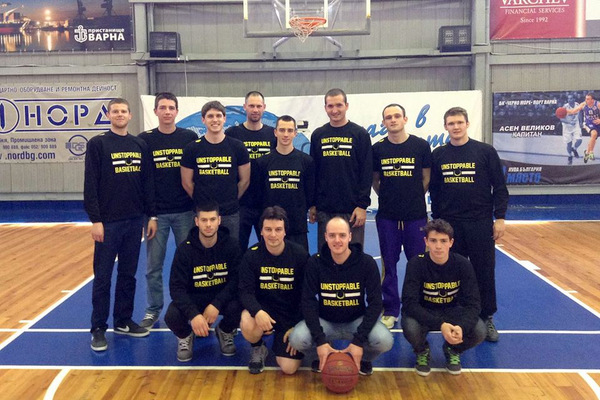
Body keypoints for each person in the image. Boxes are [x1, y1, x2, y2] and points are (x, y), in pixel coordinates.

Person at [429, 107, 509, 342]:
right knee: (454, 271)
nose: (456, 127)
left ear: (467, 124)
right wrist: (438, 223)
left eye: (459, 122)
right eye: (451, 123)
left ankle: (487, 316)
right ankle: (457, 316)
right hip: (450, 225)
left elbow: (500, 187)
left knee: (484, 271)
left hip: (480, 223)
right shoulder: (438, 155)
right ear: (445, 127)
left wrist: (500, 217)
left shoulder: (485, 151)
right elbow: (435, 190)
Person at [84, 98, 157, 352]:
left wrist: (152, 216)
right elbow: (90, 184)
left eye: (123, 111)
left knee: (128, 275)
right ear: (108, 115)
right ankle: (98, 328)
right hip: (108, 223)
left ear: (130, 115)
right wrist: (96, 220)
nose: (119, 115)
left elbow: (147, 182)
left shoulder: (139, 144)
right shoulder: (98, 144)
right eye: (115, 111)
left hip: (134, 220)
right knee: (103, 277)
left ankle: (123, 320)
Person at [289, 217, 394, 376]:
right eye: (332, 235)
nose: (337, 240)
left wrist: (359, 340)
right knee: (297, 338)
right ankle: (321, 356)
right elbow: (308, 301)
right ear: (325, 237)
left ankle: (363, 358)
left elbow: (375, 303)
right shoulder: (315, 263)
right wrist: (320, 340)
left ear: (350, 236)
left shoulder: (366, 262)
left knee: (385, 340)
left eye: (342, 235)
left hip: (356, 321)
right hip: (325, 321)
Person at [138, 92, 198, 328]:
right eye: (162, 107)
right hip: (157, 215)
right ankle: (153, 309)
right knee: (154, 266)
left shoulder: (189, 137)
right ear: (155, 111)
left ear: (177, 111)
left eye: (171, 108)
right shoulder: (145, 140)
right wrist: (151, 214)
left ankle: (191, 307)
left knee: (190, 263)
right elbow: (145, 180)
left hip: (185, 212)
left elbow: (195, 176)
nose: (167, 111)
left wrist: (196, 210)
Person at [401, 219, 486, 376]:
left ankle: (453, 349)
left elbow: (474, 304)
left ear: (451, 242)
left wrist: (461, 327)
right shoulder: (415, 264)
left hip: (452, 311)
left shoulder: (463, 264)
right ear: (426, 241)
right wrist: (440, 325)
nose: (438, 246)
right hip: (424, 311)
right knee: (411, 327)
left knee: (479, 331)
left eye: (443, 241)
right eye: (433, 241)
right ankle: (422, 350)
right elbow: (409, 303)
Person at [372, 104, 432, 329]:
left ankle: (416, 307)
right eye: (388, 117)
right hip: (387, 217)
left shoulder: (420, 146)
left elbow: (426, 178)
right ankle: (391, 309)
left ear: (405, 119)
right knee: (389, 265)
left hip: (416, 217)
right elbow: (375, 180)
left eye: (397, 116)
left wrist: (412, 197)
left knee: (418, 264)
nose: (393, 120)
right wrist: (390, 198)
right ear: (384, 122)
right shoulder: (377, 149)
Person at [165, 201, 243, 361]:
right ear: (196, 221)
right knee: (172, 315)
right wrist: (193, 314)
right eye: (204, 220)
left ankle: (225, 330)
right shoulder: (184, 250)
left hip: (221, 297)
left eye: (212, 219)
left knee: (241, 307)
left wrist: (217, 304)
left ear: (219, 220)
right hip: (195, 298)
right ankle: (186, 335)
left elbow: (236, 281)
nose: (208, 225)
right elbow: (176, 288)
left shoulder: (232, 246)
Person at [239, 206, 309, 374]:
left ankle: (298, 341)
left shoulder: (300, 255)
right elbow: (245, 291)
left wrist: (296, 327)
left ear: (285, 231)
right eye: (268, 229)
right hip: (265, 313)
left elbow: (307, 294)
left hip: (290, 315)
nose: (273, 235)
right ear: (261, 231)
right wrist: (257, 311)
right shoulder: (251, 255)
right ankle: (258, 347)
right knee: (247, 320)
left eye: (278, 229)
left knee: (289, 368)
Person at [309, 88, 373, 250]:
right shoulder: (318, 135)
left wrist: (362, 206)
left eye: (339, 105)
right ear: (325, 108)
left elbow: (366, 172)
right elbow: (314, 172)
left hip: (353, 210)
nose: (335, 110)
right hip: (325, 209)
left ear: (346, 106)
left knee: (354, 257)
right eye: (330, 106)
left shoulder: (360, 134)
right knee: (325, 256)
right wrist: (313, 204)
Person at [181, 101, 250, 241]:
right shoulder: (192, 148)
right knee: (202, 250)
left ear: (224, 119)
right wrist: (201, 201)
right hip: (203, 213)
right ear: (203, 119)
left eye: (218, 116)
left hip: (230, 213)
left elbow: (245, 180)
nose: (215, 120)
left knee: (231, 250)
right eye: (210, 116)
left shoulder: (237, 147)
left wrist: (231, 199)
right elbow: (187, 183)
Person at [255, 115, 315, 251]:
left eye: (290, 130)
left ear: (295, 133)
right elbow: (259, 195)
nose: (286, 134)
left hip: (297, 226)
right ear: (275, 132)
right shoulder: (262, 162)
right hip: (271, 227)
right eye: (282, 130)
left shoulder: (306, 161)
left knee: (300, 262)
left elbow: (309, 194)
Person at [225, 91, 275, 249]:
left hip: (266, 203)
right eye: (251, 106)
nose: (255, 110)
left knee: (268, 248)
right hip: (241, 204)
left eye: (258, 106)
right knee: (237, 249)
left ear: (264, 107)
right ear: (244, 107)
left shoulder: (272, 134)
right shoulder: (232, 134)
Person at [568, 92, 600, 163]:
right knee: (594, 134)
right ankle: (588, 153)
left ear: (592, 100)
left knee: (594, 138)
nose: (586, 100)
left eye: (588, 99)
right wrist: (564, 111)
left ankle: (590, 152)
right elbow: (573, 111)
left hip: (597, 123)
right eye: (586, 99)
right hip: (588, 123)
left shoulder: (598, 104)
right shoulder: (583, 104)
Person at [560, 95, 583, 165]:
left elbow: (580, 113)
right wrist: (569, 122)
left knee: (579, 140)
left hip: (576, 125)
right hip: (567, 126)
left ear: (574, 99)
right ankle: (570, 156)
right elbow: (561, 119)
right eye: (568, 98)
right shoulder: (564, 107)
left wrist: (581, 122)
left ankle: (574, 148)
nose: (569, 100)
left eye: (571, 98)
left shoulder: (577, 105)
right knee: (569, 144)